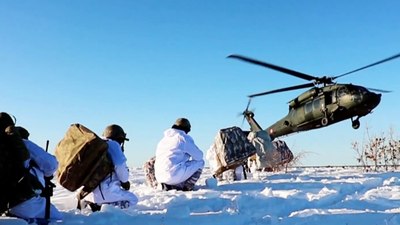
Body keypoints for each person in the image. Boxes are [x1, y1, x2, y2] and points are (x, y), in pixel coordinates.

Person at [2, 122, 62, 220]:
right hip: (26, 202)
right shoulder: (22, 143)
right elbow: (51, 165)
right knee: (59, 218)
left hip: (4, 205)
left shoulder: (3, 148)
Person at [83, 124, 138, 211]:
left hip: (87, 193)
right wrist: (125, 182)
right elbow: (120, 165)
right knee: (133, 199)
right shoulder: (113, 145)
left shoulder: (95, 146)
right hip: (106, 192)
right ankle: (108, 208)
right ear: (119, 139)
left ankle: (93, 204)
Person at [154, 118, 205, 191]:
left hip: (160, 178)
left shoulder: (163, 140)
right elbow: (199, 156)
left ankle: (169, 185)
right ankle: (186, 187)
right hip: (173, 175)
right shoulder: (182, 138)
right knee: (200, 162)